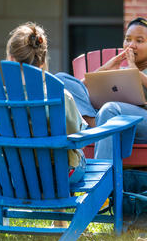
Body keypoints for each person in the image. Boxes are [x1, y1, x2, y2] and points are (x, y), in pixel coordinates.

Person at [58, 17, 147, 159]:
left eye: (139, 40)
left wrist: (136, 74)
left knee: (110, 108)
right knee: (63, 80)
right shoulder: (120, 70)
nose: (131, 45)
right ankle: (97, 124)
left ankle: (103, 173)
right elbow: (78, 90)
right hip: (111, 121)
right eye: (128, 39)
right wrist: (107, 67)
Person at [5, 22, 87, 184]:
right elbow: (75, 133)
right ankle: (59, 207)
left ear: (11, 59)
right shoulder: (60, 96)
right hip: (58, 176)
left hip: (13, 175)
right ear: (42, 62)